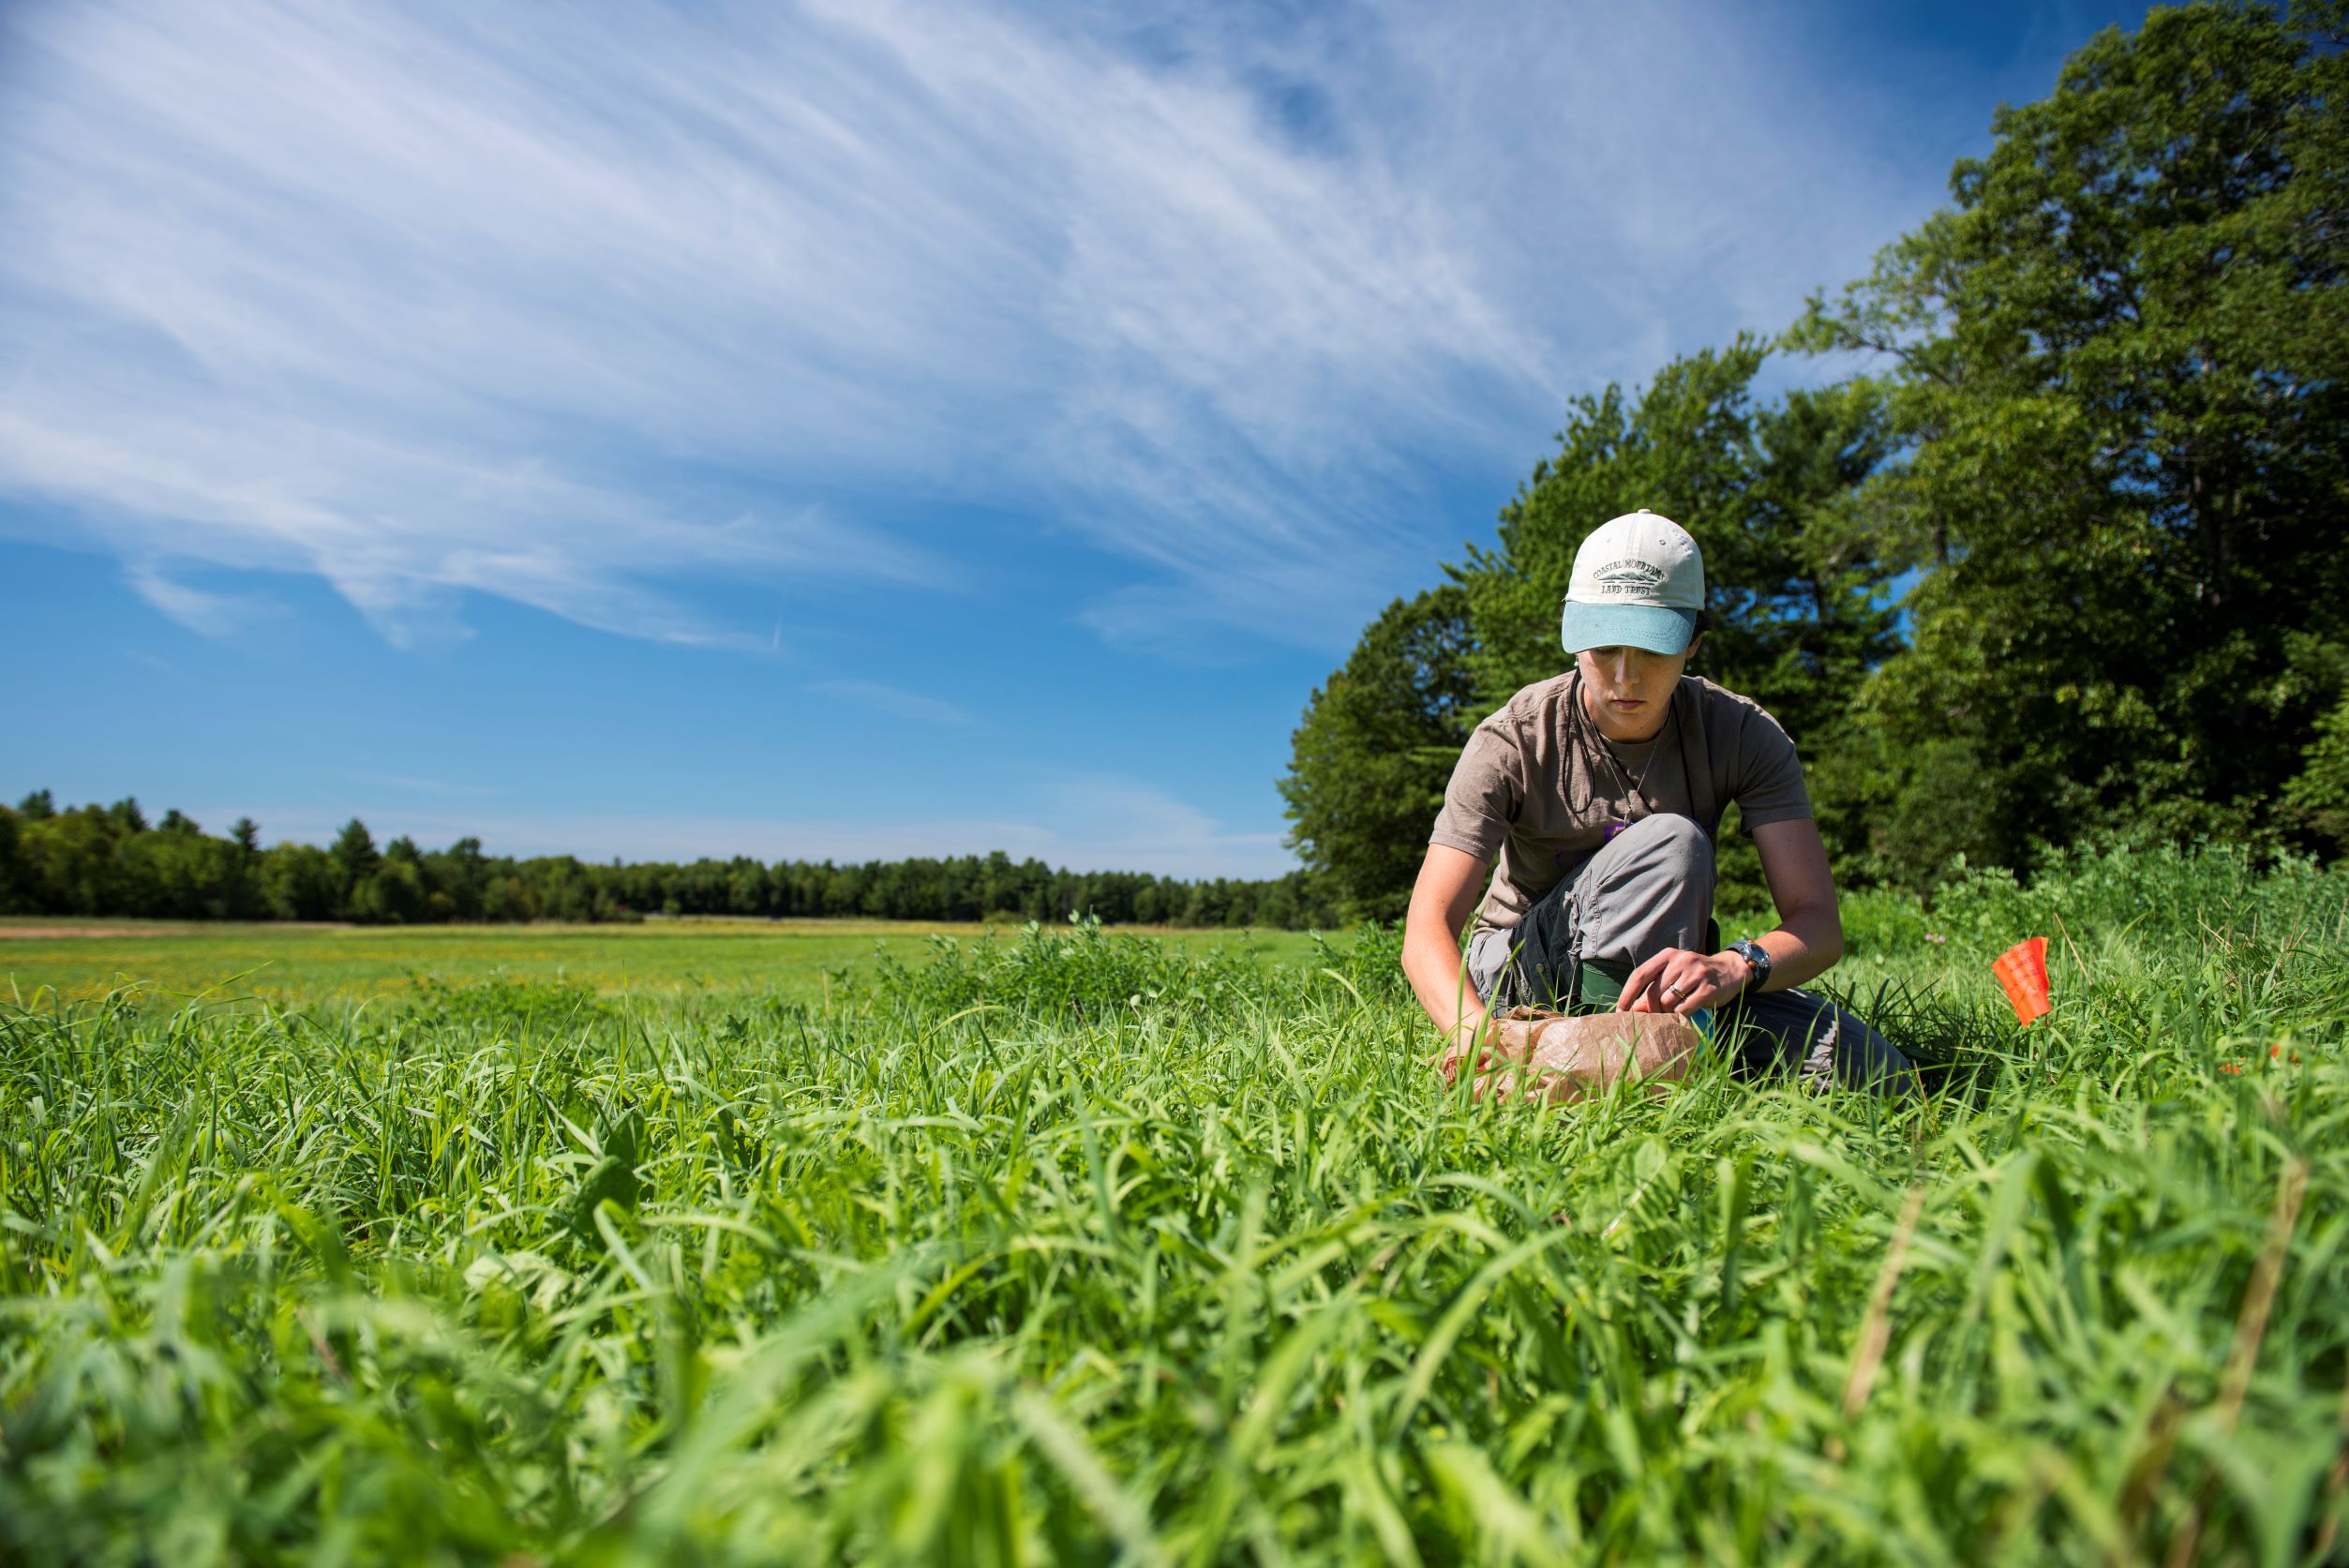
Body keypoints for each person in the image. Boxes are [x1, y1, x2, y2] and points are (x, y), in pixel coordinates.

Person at [1401, 509, 1915, 1096]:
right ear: (1574, 637)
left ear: (1693, 641)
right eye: (1604, 647)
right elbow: (1427, 929)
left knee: (1874, 1072)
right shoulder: (1514, 737)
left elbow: (1818, 924)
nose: (1625, 676)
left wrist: (1734, 966)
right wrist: (1473, 1040)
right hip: (1520, 965)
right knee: (1674, 843)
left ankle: (1610, 1063)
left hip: (1664, 978)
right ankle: (1614, 1077)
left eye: (1651, 649)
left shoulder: (1745, 734)